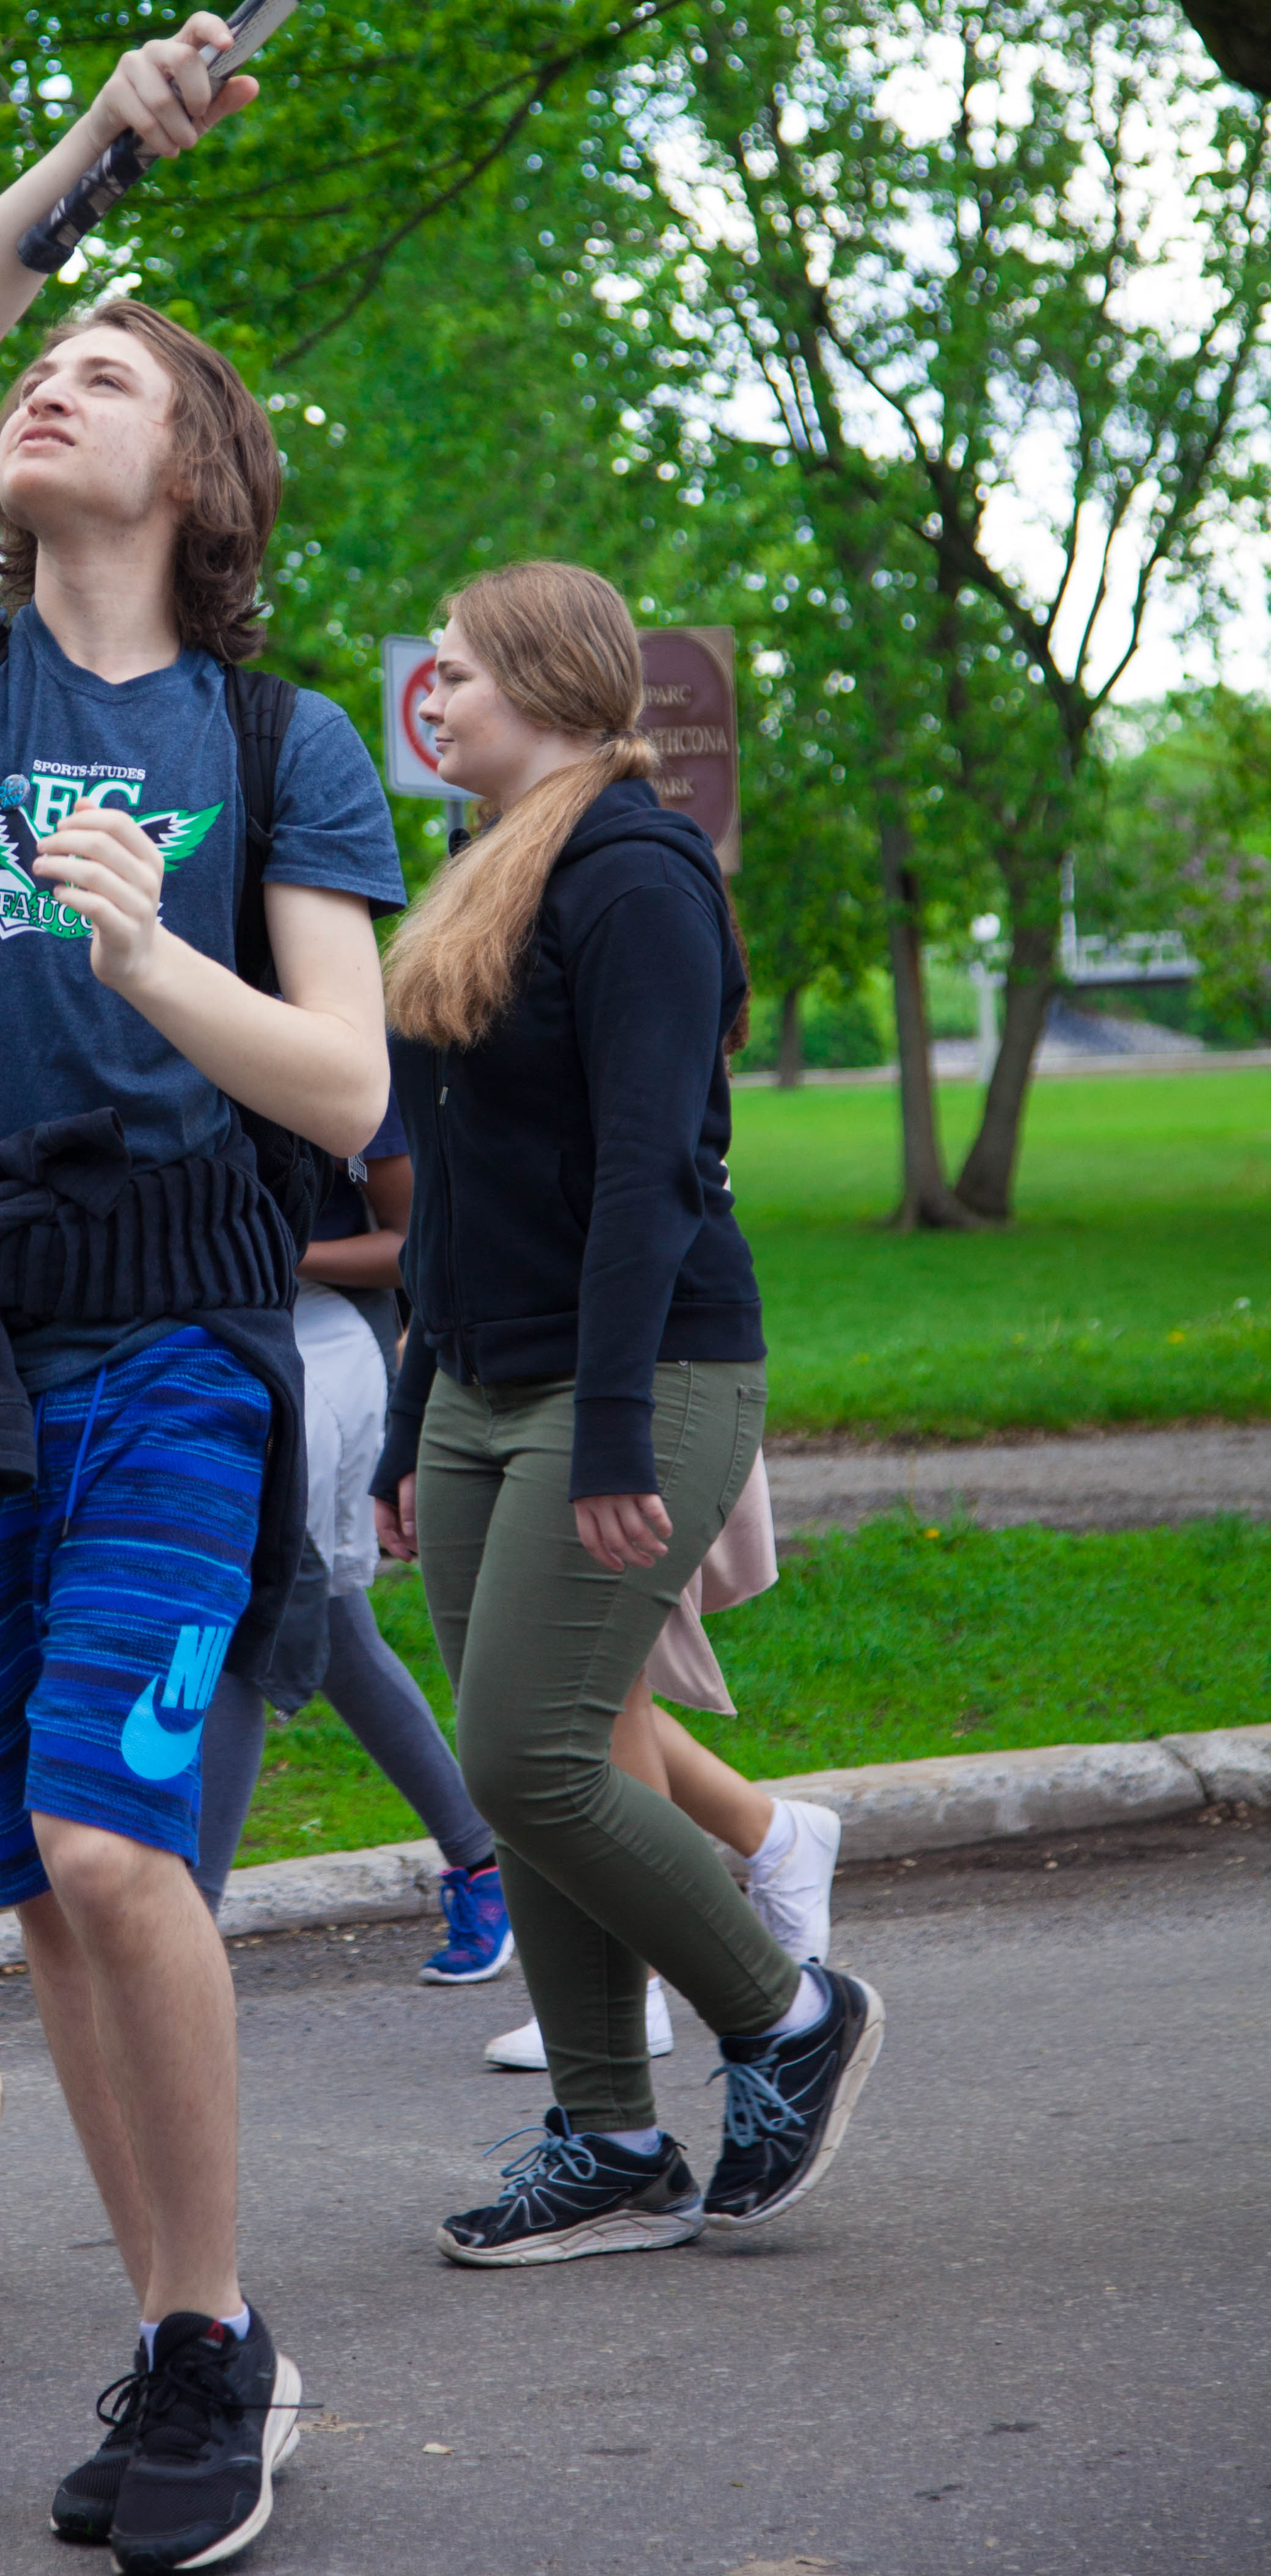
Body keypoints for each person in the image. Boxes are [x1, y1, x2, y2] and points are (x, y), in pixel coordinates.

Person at [0, 15, 402, 2569]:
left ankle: (204, 2354)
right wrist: (94, 149)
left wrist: (156, 958)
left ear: (203, 474)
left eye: (111, 373)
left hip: (181, 1344)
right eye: (46, 367)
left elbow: (346, 1085)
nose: (49, 386)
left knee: (110, 1823)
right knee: (40, 1879)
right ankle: (202, 2327)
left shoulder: (280, 740)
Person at [368, 563, 884, 2269]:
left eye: (457, 670)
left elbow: (648, 1173)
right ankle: (606, 2138)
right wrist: (408, 1418)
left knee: (524, 1752)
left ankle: (785, 2017)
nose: (432, 695)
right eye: (431, 671)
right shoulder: (486, 866)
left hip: (642, 1376)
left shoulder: (638, 873)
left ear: (544, 680)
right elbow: (453, 1187)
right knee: (544, 1769)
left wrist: (603, 1434)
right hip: (477, 1381)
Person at [192, 1104, 510, 1983]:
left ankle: (186, 1925)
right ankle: (486, 1862)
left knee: (254, 1613)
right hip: (204, 1337)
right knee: (325, 1622)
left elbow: (415, 1245)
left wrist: (280, 1255)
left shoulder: (346, 1064)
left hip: (322, 1333)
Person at [475, 1461, 841, 2069]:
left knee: (594, 1669)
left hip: (601, 1429)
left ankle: (634, 1991)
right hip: (503, 1416)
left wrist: (612, 1447)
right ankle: (771, 1831)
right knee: (542, 1685)